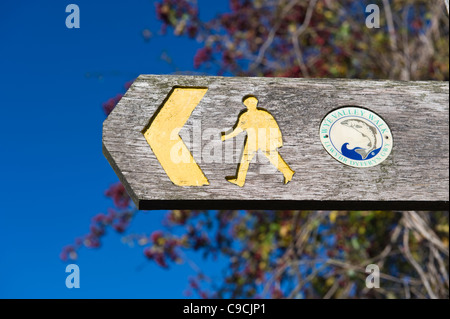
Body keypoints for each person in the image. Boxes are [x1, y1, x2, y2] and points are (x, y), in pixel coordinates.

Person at [221, 95, 295, 187]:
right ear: (246, 105)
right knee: (246, 159)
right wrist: (226, 137)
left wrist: (277, 140)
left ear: (256, 103)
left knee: (272, 157)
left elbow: (274, 126)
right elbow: (238, 129)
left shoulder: (264, 114)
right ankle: (240, 180)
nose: (251, 104)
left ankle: (288, 172)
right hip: (252, 139)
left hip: (264, 138)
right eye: (248, 103)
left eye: (252, 102)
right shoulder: (245, 116)